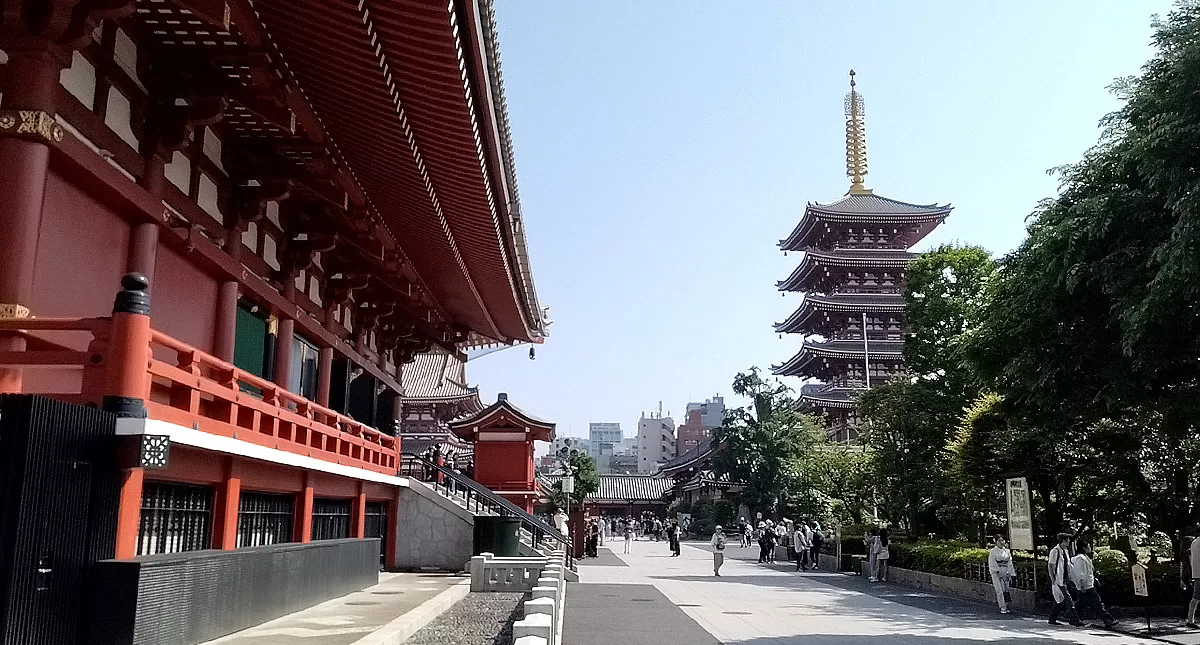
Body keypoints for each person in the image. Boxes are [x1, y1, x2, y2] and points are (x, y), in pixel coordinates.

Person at [1072, 541, 1116, 628]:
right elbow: (1081, 573)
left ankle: (1073, 618)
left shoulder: (1085, 557)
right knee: (1096, 603)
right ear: (1084, 548)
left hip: (1088, 584)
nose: (1090, 547)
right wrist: (1082, 585)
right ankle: (1108, 620)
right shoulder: (1081, 559)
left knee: (1081, 603)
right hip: (1086, 585)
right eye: (1088, 546)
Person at [1047, 532, 1083, 626]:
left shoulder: (1065, 550)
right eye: (1067, 540)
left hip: (1064, 578)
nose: (1069, 542)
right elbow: (1051, 564)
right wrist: (1053, 578)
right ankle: (1074, 619)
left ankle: (1052, 618)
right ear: (1063, 541)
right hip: (1058, 579)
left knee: (1059, 600)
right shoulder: (1055, 551)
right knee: (1068, 600)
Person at [988, 534, 1015, 614]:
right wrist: (996, 571)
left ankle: (1007, 605)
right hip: (997, 573)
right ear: (996, 541)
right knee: (999, 590)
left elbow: (1010, 563)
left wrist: (1011, 573)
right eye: (999, 540)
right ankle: (1002, 606)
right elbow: (992, 563)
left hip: (1006, 571)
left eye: (1002, 540)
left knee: (1006, 590)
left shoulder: (1007, 551)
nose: (1001, 542)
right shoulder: (993, 551)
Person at [1186, 533, 1200, 629]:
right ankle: (1190, 620)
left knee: (1196, 597)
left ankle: (1190, 619)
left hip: (1196, 572)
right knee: (1196, 597)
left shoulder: (1195, 542)